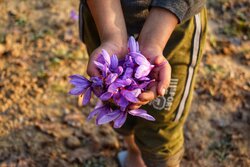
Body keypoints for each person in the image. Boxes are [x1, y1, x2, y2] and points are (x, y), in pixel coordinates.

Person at [79, 0, 207, 166]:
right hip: (102, 18)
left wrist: (153, 41)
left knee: (160, 128)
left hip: (173, 25)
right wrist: (112, 37)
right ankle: (134, 153)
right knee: (116, 104)